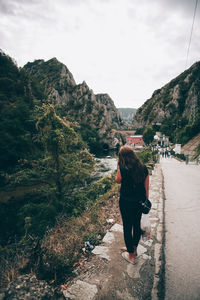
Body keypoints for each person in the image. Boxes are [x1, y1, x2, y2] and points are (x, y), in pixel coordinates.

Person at [115, 145, 149, 265]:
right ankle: (134, 249)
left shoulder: (122, 168)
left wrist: (118, 166)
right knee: (136, 225)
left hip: (125, 202)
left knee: (127, 227)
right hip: (139, 202)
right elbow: (146, 188)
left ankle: (130, 255)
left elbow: (117, 180)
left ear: (122, 157)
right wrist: (146, 202)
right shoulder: (143, 168)